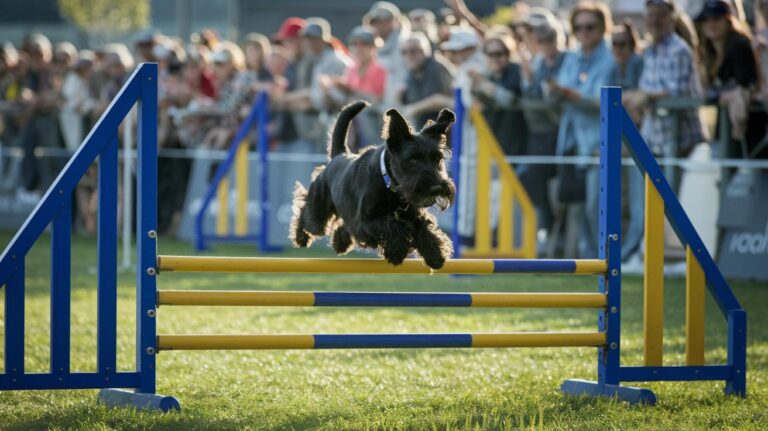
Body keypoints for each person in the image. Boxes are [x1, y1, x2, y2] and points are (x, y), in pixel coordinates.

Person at [551, 1, 615, 258]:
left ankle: (605, 260)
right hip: (571, 141)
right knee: (575, 206)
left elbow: (601, 100)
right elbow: (561, 90)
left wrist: (567, 93)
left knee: (595, 207)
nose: (584, 32)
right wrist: (560, 92)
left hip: (600, 143)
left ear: (603, 27)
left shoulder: (611, 59)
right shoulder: (573, 56)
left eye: (590, 27)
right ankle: (590, 258)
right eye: (578, 27)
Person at [696, 0, 767, 159]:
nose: (711, 23)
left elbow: (745, 85)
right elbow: (706, 91)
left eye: (716, 18)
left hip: (750, 130)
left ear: (728, 19)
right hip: (727, 129)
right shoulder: (710, 52)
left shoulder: (739, 44)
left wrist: (719, 95)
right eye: (706, 19)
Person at [520, 22, 567, 244]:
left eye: (550, 40)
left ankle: (556, 230)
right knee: (531, 177)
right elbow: (535, 95)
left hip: (563, 132)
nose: (546, 45)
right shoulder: (538, 63)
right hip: (542, 133)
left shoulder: (567, 61)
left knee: (564, 186)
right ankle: (548, 225)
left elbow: (552, 102)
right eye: (541, 41)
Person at [609, 20, 646, 262]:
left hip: (640, 145)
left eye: (623, 43)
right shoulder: (612, 68)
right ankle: (621, 254)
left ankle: (628, 254)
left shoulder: (640, 64)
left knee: (639, 206)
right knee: (620, 204)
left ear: (633, 44)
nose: (618, 48)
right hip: (618, 144)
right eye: (614, 44)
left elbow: (640, 106)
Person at [471, 28, 527, 157]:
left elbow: (509, 100)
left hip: (516, 145)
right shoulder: (488, 75)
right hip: (494, 144)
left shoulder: (516, 71)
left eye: (499, 54)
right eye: (490, 54)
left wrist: (483, 84)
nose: (494, 58)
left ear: (508, 53)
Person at [398, 33, 454, 129]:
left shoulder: (436, 67)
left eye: (413, 51)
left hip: (447, 128)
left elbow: (440, 100)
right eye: (404, 52)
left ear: (425, 51)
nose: (409, 56)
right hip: (427, 128)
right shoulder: (412, 72)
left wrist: (414, 109)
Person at [364, 2, 408, 106]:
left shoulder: (403, 44)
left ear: (395, 21)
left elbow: (402, 80)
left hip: (403, 106)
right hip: (387, 105)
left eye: (382, 21)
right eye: (374, 22)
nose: (377, 26)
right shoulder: (381, 47)